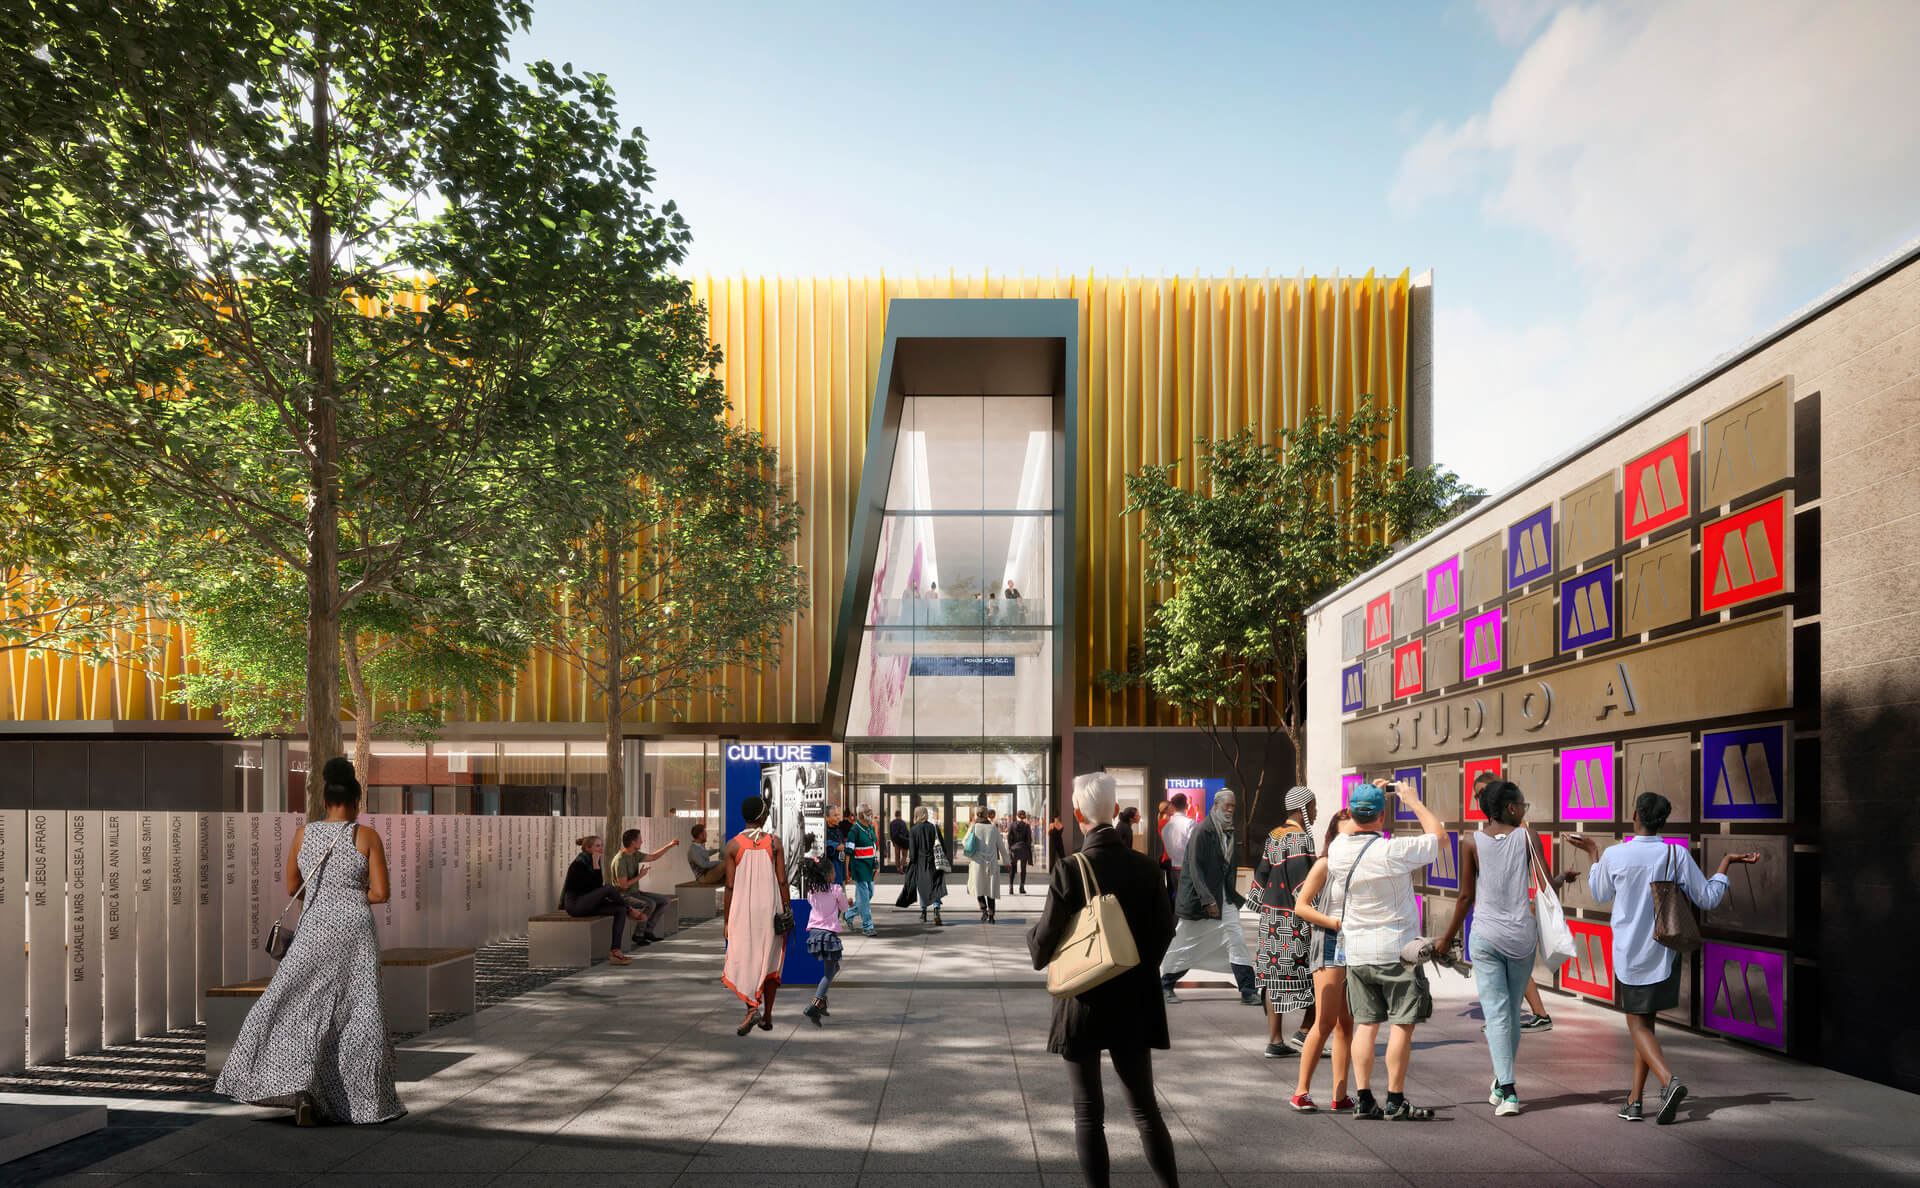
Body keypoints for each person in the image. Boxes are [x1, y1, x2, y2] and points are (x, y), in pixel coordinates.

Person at [216, 758, 403, 1125]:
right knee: (358, 1014)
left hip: (313, 929)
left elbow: (291, 886)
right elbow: (380, 893)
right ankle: (360, 1102)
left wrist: (326, 895)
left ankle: (300, 1090)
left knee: (293, 1006)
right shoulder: (365, 836)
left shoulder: (304, 834)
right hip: (353, 932)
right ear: (356, 797)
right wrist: (349, 893)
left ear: (325, 797)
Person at [1027, 772, 1178, 1188]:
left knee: (1088, 1113)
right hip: (1136, 1000)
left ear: (1077, 814)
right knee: (1146, 1110)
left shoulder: (1069, 868)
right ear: (1115, 812)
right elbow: (1166, 932)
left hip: (1083, 1001)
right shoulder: (1147, 868)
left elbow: (1042, 948)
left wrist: (1032, 936)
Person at [1570, 793, 1758, 1124]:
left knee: (1636, 1025)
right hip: (1664, 953)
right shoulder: (1676, 854)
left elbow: (1599, 894)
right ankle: (1634, 1101)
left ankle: (1669, 1082)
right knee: (1647, 1025)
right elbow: (1709, 898)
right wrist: (1725, 865)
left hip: (1630, 953)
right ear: (1663, 821)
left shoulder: (1616, 854)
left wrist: (1593, 854)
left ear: (1634, 815)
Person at [1436, 779, 1580, 1117]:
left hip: (1485, 937)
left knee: (1498, 1014)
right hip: (1521, 938)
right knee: (1510, 1013)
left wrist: (1446, 939)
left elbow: (1466, 897)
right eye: (1523, 805)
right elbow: (1545, 887)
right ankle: (1504, 1085)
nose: (1524, 810)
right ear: (1511, 808)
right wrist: (1562, 878)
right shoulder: (1528, 837)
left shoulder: (1470, 842)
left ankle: (1509, 1089)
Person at [1324, 778, 1443, 1120]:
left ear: (1350, 812)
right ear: (1382, 815)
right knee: (1402, 1024)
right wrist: (1413, 800)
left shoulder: (1337, 850)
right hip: (1398, 953)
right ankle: (1395, 1099)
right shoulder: (1393, 850)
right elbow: (1438, 838)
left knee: (1365, 1024)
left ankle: (1363, 1099)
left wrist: (1365, 795)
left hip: (1358, 953)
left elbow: (1351, 821)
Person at [1286, 809, 1362, 1113]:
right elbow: (1301, 906)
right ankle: (1300, 1092)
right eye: (1346, 834)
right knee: (1326, 1020)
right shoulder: (1325, 864)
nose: (1352, 839)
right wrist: (1335, 924)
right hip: (1330, 943)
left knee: (1347, 1023)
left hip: (1357, 946)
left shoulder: (1363, 863)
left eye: (1356, 833)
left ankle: (1340, 1095)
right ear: (1333, 836)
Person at [1160, 788, 1259, 1006]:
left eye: (1233, 806)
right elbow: (1195, 868)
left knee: (1237, 940)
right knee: (1187, 944)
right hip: (1201, 900)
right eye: (1227, 806)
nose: (1231, 810)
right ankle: (1166, 982)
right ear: (1215, 805)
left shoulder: (1228, 830)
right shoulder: (1202, 830)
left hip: (1224, 898)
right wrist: (1207, 899)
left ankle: (1247, 989)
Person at [1251, 786, 1321, 1058]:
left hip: (1271, 918)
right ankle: (1305, 1031)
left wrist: (1260, 905)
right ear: (1303, 808)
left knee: (1272, 976)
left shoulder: (1275, 835)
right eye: (1313, 806)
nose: (1315, 812)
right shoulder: (1299, 839)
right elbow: (1302, 883)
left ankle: (1275, 1039)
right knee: (1315, 973)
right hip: (1293, 920)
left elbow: (1262, 875)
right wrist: (1316, 916)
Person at [724, 794, 789, 1034]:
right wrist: (788, 910)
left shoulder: (732, 845)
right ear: (762, 816)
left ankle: (752, 1008)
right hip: (771, 911)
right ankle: (767, 1016)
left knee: (746, 960)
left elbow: (729, 887)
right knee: (770, 961)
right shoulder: (775, 843)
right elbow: (783, 882)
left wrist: (726, 921)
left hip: (742, 912)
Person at [561, 834, 647, 965]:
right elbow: (594, 887)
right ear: (588, 848)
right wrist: (596, 864)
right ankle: (631, 909)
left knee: (619, 909)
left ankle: (615, 952)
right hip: (576, 905)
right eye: (597, 846)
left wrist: (596, 863)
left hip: (589, 903)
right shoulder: (578, 864)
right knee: (608, 888)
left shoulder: (594, 861)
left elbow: (595, 888)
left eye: (601, 845)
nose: (601, 848)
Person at [796, 840, 849, 1026]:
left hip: (814, 935)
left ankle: (822, 1004)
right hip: (828, 936)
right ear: (828, 875)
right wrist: (845, 900)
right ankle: (815, 1003)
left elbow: (815, 905)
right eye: (834, 871)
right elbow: (844, 907)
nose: (836, 873)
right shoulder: (836, 890)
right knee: (829, 972)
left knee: (834, 968)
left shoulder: (811, 891)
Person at [610, 828, 679, 948]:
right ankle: (638, 935)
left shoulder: (634, 854)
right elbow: (623, 885)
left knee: (665, 901)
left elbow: (653, 857)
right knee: (650, 904)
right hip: (624, 895)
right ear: (633, 842)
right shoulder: (620, 860)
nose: (642, 842)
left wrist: (670, 845)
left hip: (635, 893)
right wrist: (640, 876)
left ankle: (648, 930)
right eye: (640, 839)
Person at [965, 807, 1013, 922]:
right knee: (991, 890)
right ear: (986, 815)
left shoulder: (974, 827)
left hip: (977, 862)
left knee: (978, 888)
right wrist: (1007, 862)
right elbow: (1001, 847)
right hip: (991, 863)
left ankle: (984, 911)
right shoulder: (993, 829)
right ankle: (991, 916)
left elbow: (965, 841)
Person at [905, 805, 950, 925]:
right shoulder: (934, 828)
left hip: (920, 862)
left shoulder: (914, 830)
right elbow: (942, 845)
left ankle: (923, 913)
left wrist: (911, 863)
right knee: (935, 886)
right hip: (934, 861)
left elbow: (913, 852)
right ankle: (936, 910)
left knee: (923, 886)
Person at [842, 804, 880, 936]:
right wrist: (846, 873)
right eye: (868, 811)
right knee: (864, 899)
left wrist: (876, 865)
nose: (871, 813)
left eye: (871, 810)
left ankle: (848, 914)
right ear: (860, 815)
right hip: (859, 869)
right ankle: (867, 926)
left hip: (870, 868)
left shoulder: (869, 828)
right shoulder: (854, 831)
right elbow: (848, 854)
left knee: (869, 895)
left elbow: (874, 847)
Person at [1160, 793, 1195, 902]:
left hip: (1174, 868)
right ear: (1186, 805)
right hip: (1188, 869)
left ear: (1173, 806)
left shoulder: (1166, 826)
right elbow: (1194, 847)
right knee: (1189, 903)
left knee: (1179, 902)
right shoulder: (1190, 823)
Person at [686, 822, 725, 886]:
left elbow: (706, 853)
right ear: (700, 835)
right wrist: (719, 862)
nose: (707, 835)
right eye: (705, 833)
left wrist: (717, 850)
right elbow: (704, 864)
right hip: (703, 877)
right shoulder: (693, 850)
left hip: (708, 873)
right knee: (726, 863)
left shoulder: (699, 846)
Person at [1008, 809, 1035, 894]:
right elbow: (1029, 840)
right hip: (1023, 849)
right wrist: (1027, 848)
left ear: (1017, 816)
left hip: (1014, 849)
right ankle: (1021, 888)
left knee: (1012, 869)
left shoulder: (1012, 825)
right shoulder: (1027, 826)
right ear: (1024, 817)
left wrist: (1010, 847)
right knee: (1023, 869)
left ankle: (1011, 888)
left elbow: (1009, 837)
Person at [823, 803, 850, 883]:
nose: (838, 817)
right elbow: (821, 846)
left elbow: (843, 855)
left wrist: (845, 876)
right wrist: (835, 846)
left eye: (838, 815)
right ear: (827, 818)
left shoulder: (838, 831)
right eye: (835, 815)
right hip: (830, 877)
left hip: (840, 875)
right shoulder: (824, 832)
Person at [889, 808, 913, 873]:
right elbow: (906, 832)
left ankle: (897, 868)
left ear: (895, 815)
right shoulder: (903, 823)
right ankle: (902, 866)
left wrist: (893, 841)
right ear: (900, 815)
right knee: (904, 855)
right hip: (903, 841)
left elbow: (891, 833)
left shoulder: (892, 823)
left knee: (897, 855)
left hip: (896, 841)